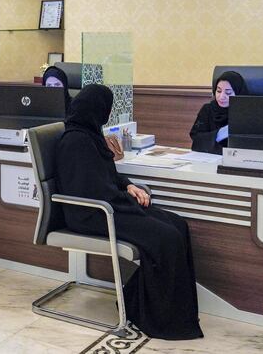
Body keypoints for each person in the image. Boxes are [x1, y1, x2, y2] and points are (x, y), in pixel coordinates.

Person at [55, 84, 203, 340]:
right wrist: (125, 197)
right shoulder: (75, 142)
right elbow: (91, 192)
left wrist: (129, 186)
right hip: (92, 215)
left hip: (110, 207)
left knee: (178, 225)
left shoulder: (89, 135)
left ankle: (148, 304)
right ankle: (160, 318)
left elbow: (107, 176)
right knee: (165, 238)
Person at [190, 71, 247, 155]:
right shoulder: (208, 109)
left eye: (228, 93)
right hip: (208, 160)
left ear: (238, 94)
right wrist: (220, 134)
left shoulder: (246, 113)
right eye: (219, 91)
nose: (221, 97)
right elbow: (196, 139)